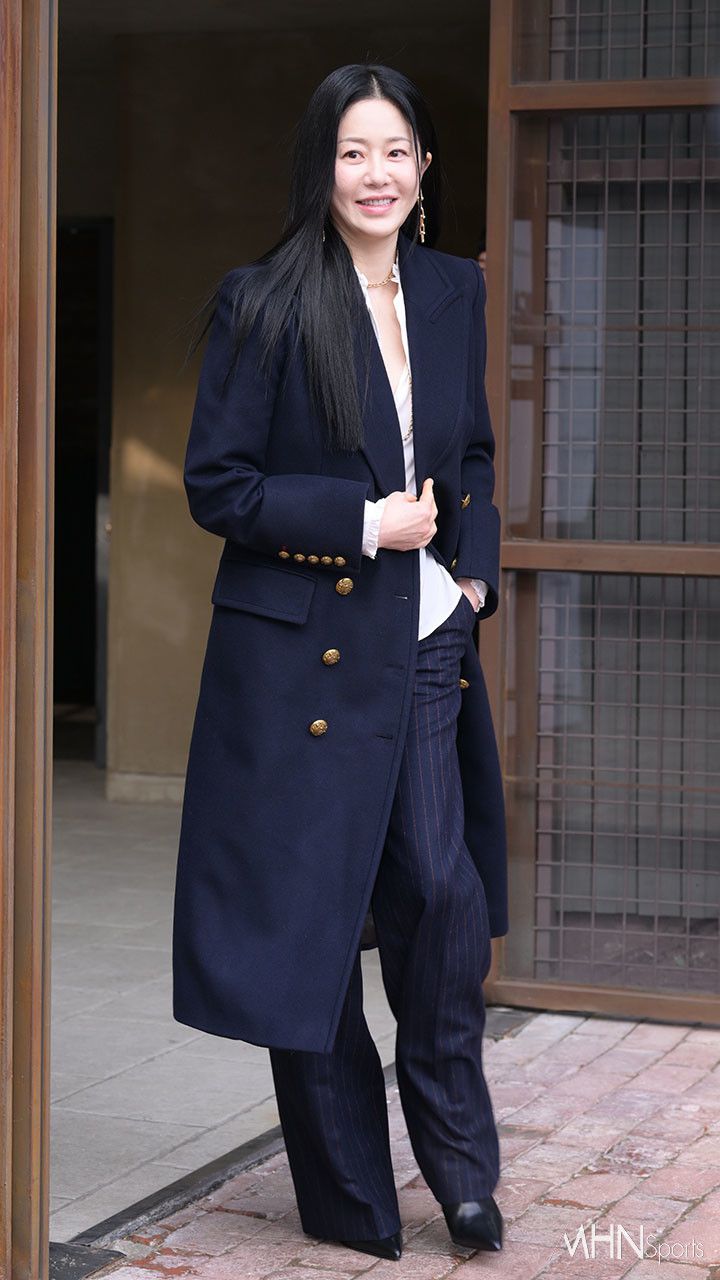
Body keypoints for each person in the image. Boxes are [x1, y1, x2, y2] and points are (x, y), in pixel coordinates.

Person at [172, 63, 508, 1264]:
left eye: (396, 151)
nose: (376, 174)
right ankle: (352, 1195)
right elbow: (220, 485)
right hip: (299, 664)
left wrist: (474, 572)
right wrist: (365, 522)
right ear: (322, 168)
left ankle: (463, 1177)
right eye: (353, 151)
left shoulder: (454, 289)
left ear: (424, 170)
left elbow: (472, 452)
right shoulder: (264, 298)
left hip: (422, 640)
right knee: (309, 927)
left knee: (441, 899)